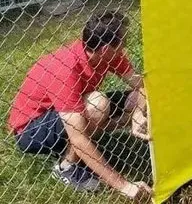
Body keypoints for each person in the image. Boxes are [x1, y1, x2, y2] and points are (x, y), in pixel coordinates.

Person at [8, 11, 151, 201]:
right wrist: (124, 186)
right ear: (106, 48)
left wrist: (137, 115)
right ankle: (66, 167)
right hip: (32, 129)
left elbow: (142, 86)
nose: (125, 46)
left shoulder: (110, 55)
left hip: (71, 107)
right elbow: (77, 136)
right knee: (98, 104)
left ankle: (89, 153)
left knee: (134, 100)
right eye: (123, 42)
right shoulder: (66, 68)